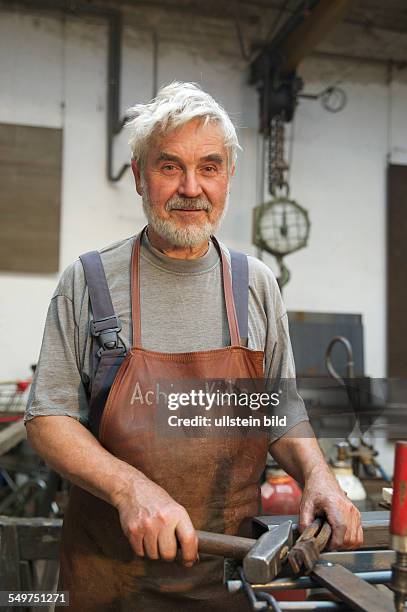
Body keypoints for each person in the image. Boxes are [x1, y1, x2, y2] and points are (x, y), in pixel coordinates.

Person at [25, 82, 362, 611]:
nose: (190, 187)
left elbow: (279, 411)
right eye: (169, 166)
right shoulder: (88, 282)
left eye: (208, 167)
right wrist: (131, 490)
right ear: (139, 175)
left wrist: (317, 476)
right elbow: (48, 418)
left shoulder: (256, 284)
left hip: (230, 580)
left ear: (227, 177)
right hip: (109, 584)